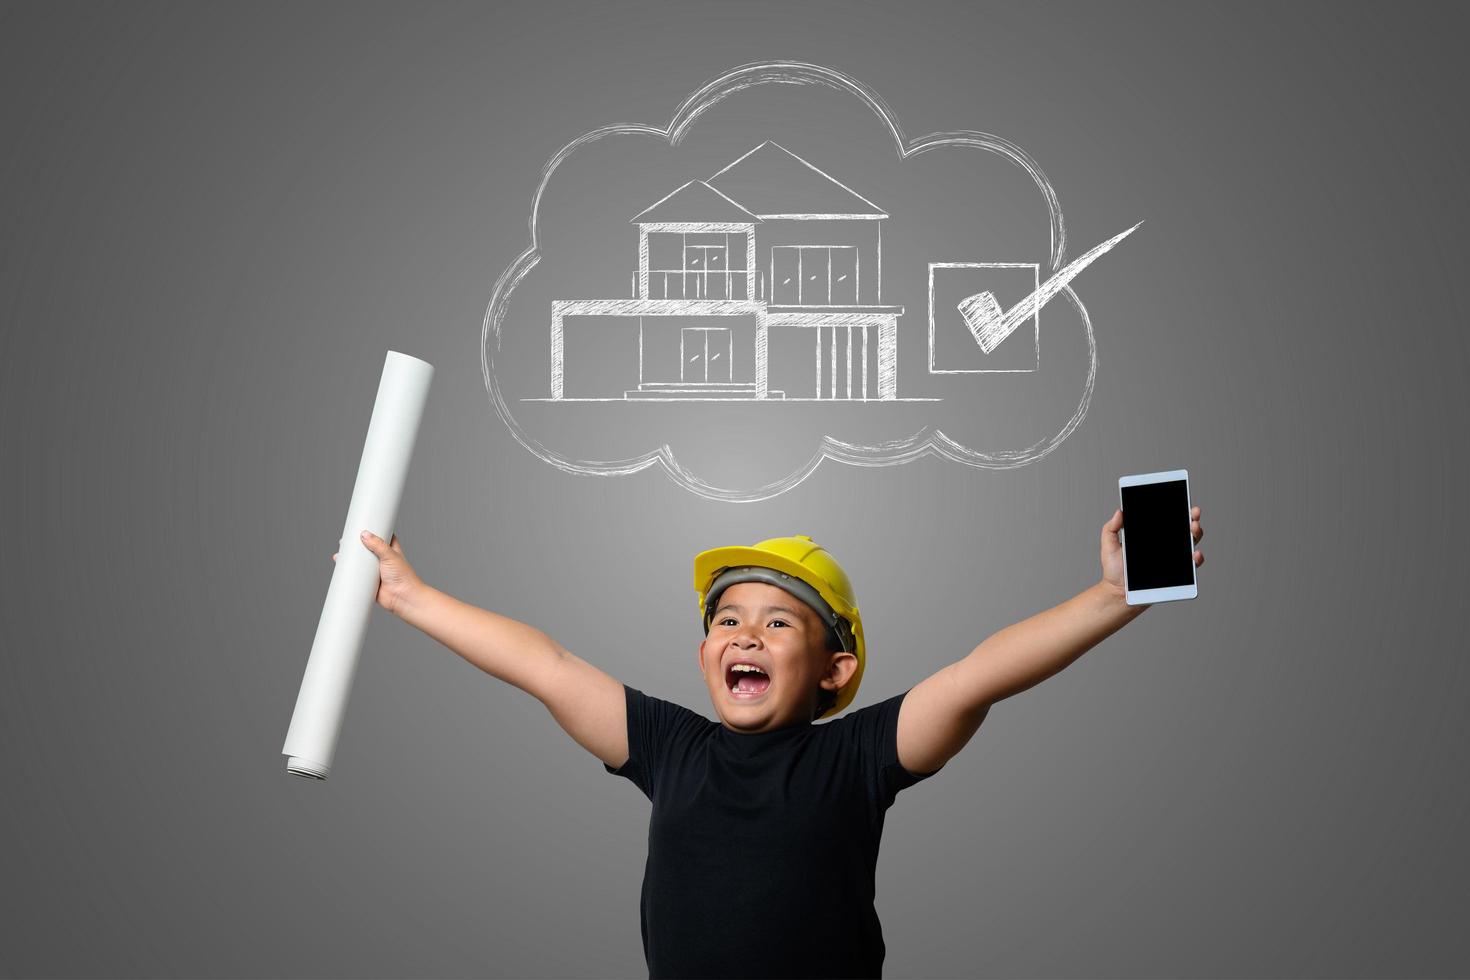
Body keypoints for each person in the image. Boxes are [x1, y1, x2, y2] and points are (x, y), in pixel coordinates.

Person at [337, 506, 1204, 978]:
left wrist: (1115, 597)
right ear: (706, 652)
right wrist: (412, 599)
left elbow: (980, 675)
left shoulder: (856, 757)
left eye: (779, 621)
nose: (745, 635)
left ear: (835, 667)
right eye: (728, 619)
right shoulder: (669, 746)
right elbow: (548, 665)